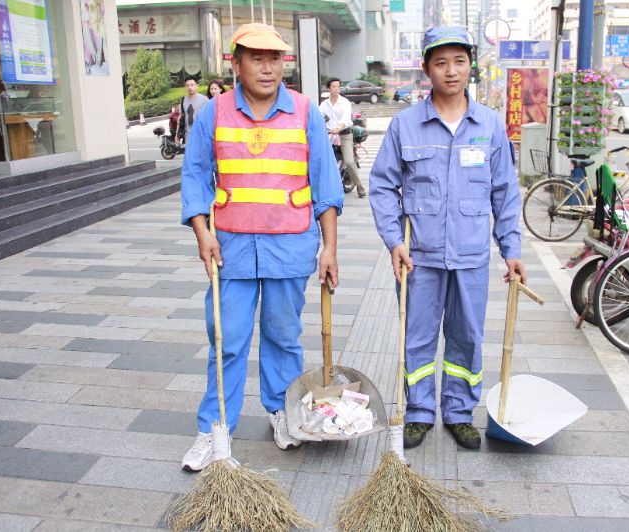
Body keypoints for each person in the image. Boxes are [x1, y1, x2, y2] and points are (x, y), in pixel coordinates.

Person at [179, 23, 343, 472]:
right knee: (226, 339)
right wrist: (202, 232)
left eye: (275, 59)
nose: (268, 68)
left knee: (283, 336)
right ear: (237, 64)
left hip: (290, 246)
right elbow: (195, 175)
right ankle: (214, 428)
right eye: (257, 58)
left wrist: (329, 248)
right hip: (230, 249)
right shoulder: (214, 113)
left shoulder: (305, 111)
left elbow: (325, 184)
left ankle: (283, 411)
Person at [368, 26, 526, 451]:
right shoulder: (405, 126)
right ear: (426, 69)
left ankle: (459, 413)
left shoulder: (489, 125)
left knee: (467, 335)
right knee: (417, 337)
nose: (451, 71)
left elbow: (504, 192)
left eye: (459, 61)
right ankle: (419, 412)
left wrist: (511, 249)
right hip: (418, 257)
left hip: (471, 255)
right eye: (441, 62)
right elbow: (382, 186)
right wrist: (393, 240)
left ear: (471, 65)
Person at [318, 77, 366, 198]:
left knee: (349, 161)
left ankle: (359, 186)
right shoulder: (324, 104)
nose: (336, 89)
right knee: (322, 160)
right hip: (329, 136)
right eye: (333, 87)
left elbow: (346, 119)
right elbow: (318, 116)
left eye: (338, 87)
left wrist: (338, 128)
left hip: (344, 135)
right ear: (329, 88)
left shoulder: (345, 102)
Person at [176, 75, 208, 145]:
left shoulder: (204, 100)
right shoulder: (183, 100)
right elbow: (180, 117)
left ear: (197, 86)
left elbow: (208, 119)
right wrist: (177, 134)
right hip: (188, 135)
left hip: (201, 135)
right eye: (187, 85)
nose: (190, 87)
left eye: (192, 85)